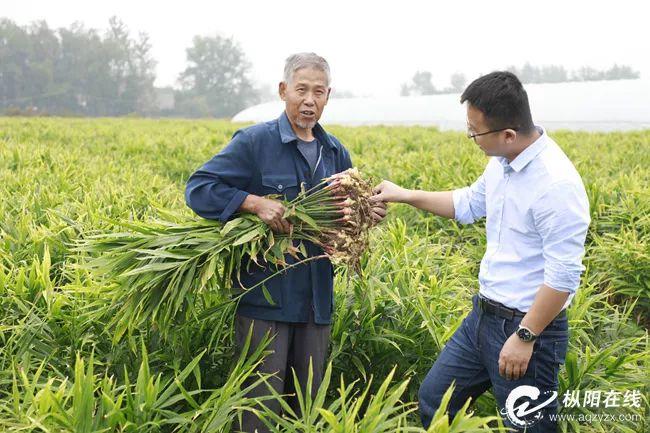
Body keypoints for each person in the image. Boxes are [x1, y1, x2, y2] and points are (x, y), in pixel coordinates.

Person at [372, 71, 590, 432]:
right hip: (483, 317)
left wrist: (524, 337)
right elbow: (469, 204)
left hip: (527, 327)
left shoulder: (556, 185)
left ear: (507, 134)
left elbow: (564, 277)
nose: (470, 136)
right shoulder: (503, 162)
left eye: (475, 131)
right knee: (434, 402)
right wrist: (405, 194)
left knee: (527, 427)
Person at [185, 52, 386, 433]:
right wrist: (253, 202)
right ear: (283, 91)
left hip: (316, 303)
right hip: (267, 301)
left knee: (306, 409)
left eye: (319, 92)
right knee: (259, 409)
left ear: (328, 96)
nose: (309, 100)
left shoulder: (335, 152)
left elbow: (343, 217)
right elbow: (199, 188)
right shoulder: (254, 142)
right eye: (301, 90)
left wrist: (366, 216)